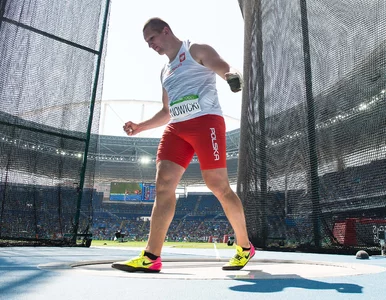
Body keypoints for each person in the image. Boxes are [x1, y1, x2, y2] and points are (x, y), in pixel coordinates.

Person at [112, 17, 254, 273]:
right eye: (147, 42)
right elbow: (167, 111)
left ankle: (244, 247)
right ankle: (151, 256)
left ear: (165, 31)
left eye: (151, 39)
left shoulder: (195, 49)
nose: (150, 46)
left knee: (218, 185)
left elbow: (222, 66)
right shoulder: (165, 72)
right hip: (177, 128)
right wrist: (140, 126)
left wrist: (231, 76)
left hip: (205, 122)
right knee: (163, 185)